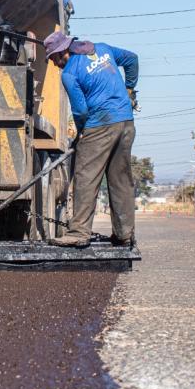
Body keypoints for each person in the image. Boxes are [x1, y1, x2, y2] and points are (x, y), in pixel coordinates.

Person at [43, 31, 139, 248]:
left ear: (62, 52)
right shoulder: (102, 48)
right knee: (121, 179)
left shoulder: (69, 73)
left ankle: (78, 232)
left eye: (53, 58)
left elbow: (80, 110)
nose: (54, 64)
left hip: (99, 124)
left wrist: (81, 133)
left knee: (86, 178)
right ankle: (124, 234)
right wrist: (129, 90)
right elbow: (132, 59)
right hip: (126, 122)